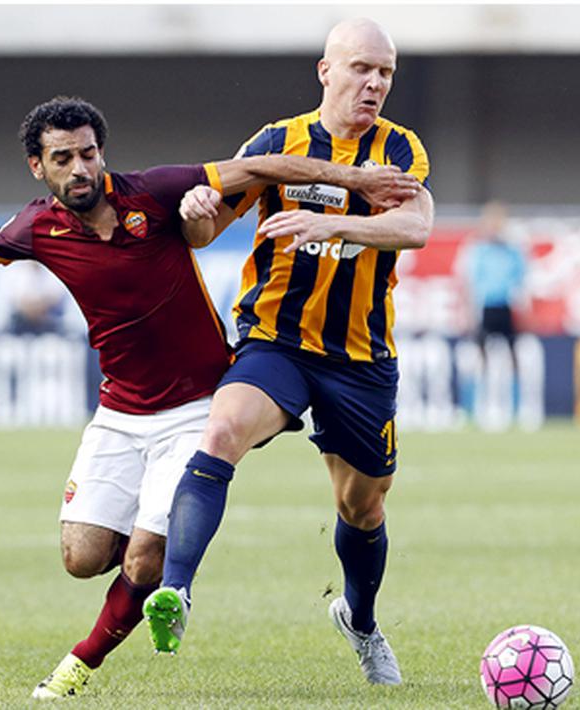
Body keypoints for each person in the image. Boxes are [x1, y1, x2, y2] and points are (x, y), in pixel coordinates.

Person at [0, 96, 421, 699]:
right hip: (119, 413)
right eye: (62, 159)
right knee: (82, 559)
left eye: (87, 153)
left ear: (101, 153)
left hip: (198, 406)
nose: (79, 168)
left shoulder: (154, 192)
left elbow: (259, 166)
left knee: (147, 555)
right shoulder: (35, 228)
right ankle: (152, 550)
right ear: (38, 167)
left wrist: (352, 180)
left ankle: (85, 656)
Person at [143, 18, 434, 687]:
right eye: (361, 68)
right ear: (326, 71)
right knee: (222, 431)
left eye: (385, 73)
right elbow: (204, 231)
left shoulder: (399, 148)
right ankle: (176, 591)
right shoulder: (276, 143)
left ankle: (360, 621)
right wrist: (195, 209)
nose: (374, 84)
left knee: (362, 507)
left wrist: (327, 221)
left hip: (360, 358)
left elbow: (414, 225)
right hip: (276, 341)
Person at [458, 200, 527, 424]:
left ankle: (516, 407)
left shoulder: (513, 250)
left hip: (506, 306)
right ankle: (475, 406)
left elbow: (522, 279)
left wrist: (522, 306)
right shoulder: (478, 249)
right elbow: (470, 281)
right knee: (480, 356)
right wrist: (470, 311)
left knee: (513, 355)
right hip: (485, 307)